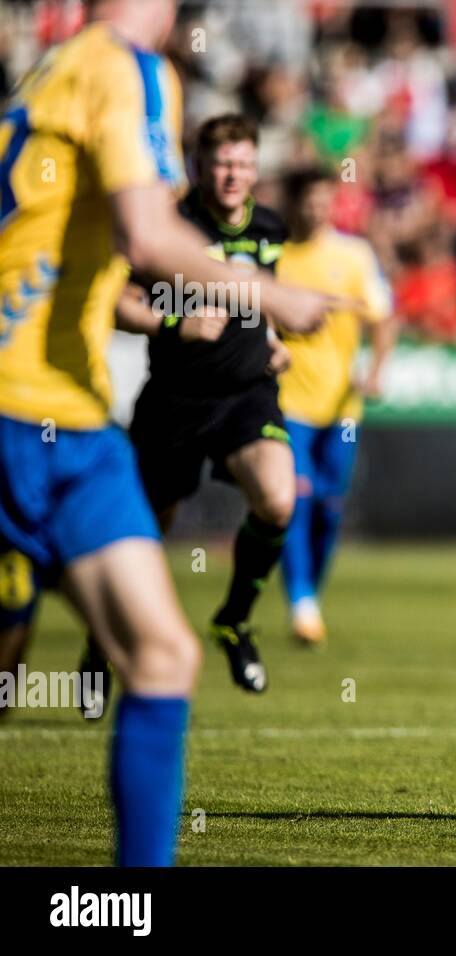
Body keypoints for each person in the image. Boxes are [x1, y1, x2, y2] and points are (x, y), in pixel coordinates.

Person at [0, 0, 334, 864]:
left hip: (75, 420)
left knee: (162, 654)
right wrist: (271, 297)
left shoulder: (53, 69)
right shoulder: (126, 67)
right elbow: (147, 243)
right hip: (25, 410)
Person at [77, 113, 325, 707]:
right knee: (139, 535)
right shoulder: (166, 226)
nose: (233, 174)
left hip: (247, 394)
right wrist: (174, 320)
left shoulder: (268, 226)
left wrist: (269, 341)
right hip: (176, 399)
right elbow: (116, 300)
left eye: (243, 162)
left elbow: (254, 297)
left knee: (277, 496)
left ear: (255, 167)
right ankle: (99, 644)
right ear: (199, 166)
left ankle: (234, 620)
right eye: (221, 163)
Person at [276, 167, 396, 644]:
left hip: (342, 406)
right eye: (308, 198)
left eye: (325, 199)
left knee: (329, 506)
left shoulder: (352, 255)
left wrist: (377, 369)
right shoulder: (276, 256)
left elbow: (384, 318)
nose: (316, 208)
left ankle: (310, 598)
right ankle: (301, 603)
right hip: (288, 401)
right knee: (295, 498)